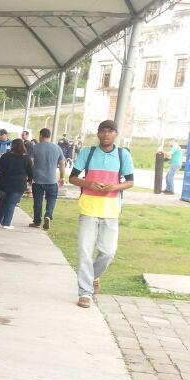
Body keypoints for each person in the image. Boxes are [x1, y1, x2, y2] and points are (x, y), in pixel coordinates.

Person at [68, 120, 135, 308]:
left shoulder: (123, 155)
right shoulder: (87, 153)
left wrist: (116, 186)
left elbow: (130, 182)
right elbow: (72, 177)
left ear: (115, 134)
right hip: (88, 209)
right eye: (103, 131)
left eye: (110, 131)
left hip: (111, 211)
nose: (106, 135)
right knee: (84, 251)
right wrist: (87, 183)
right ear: (98, 134)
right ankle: (85, 293)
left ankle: (94, 276)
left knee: (108, 253)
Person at [0, 138, 33, 229]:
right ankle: (6, 223)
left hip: (3, 183)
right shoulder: (27, 158)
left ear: (12, 146)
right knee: (11, 203)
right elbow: (31, 172)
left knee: (2, 202)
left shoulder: (6, 156)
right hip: (18, 184)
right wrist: (29, 182)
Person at [29, 127, 66, 229]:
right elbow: (62, 164)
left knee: (37, 201)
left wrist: (30, 176)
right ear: (49, 136)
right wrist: (62, 177)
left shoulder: (35, 147)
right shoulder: (57, 148)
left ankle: (37, 222)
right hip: (52, 181)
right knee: (52, 199)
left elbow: (31, 163)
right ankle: (48, 215)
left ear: (41, 136)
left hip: (37, 180)